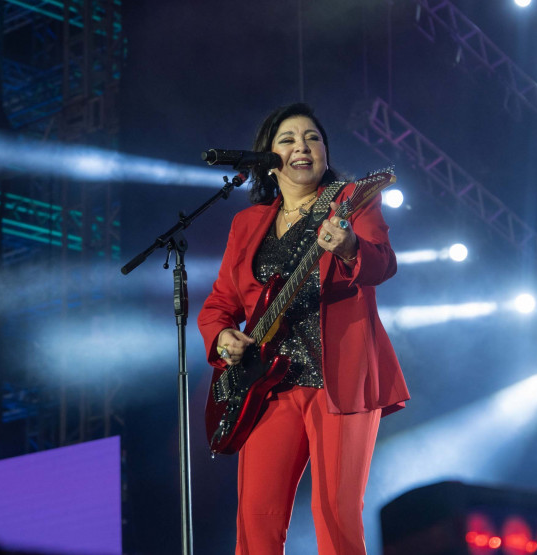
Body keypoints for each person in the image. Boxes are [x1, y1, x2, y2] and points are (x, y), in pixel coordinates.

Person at [197, 103, 409, 554]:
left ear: (325, 152)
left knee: (335, 514)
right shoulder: (247, 223)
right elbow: (221, 302)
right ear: (268, 159)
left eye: (312, 137)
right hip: (268, 383)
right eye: (288, 139)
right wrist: (222, 336)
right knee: (257, 520)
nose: (302, 146)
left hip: (340, 377)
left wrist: (350, 245)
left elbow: (383, 262)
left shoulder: (352, 198)